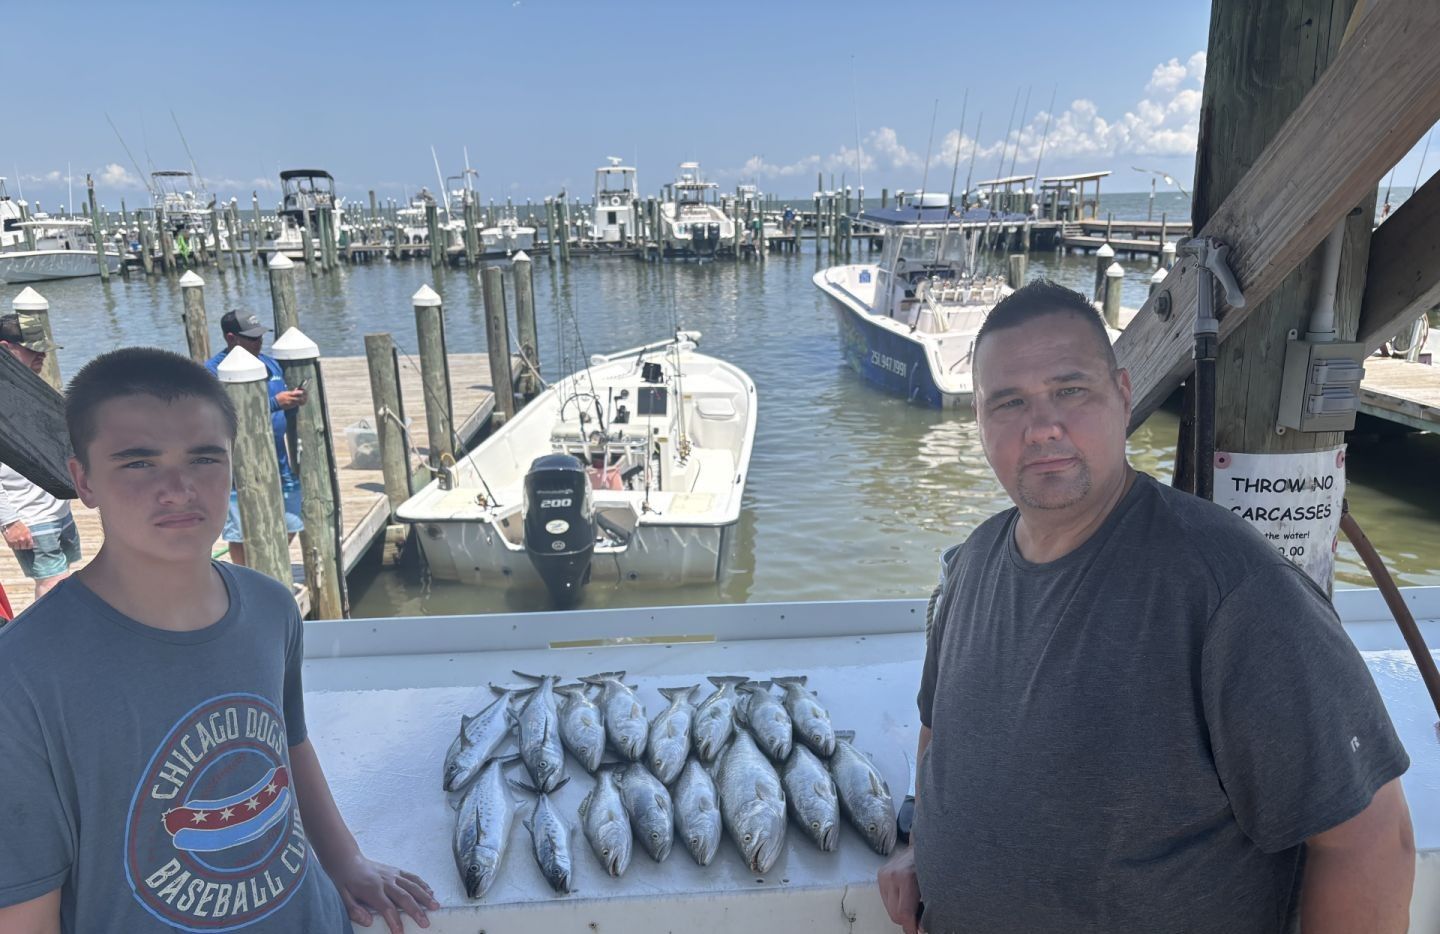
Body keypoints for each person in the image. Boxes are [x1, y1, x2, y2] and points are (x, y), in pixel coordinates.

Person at [877, 280, 1415, 934]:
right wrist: (918, 846)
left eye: (1070, 391)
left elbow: (1370, 840)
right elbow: (940, 733)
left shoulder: (1233, 591)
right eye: (1009, 402)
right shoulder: (971, 565)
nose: (1043, 426)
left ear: (1124, 395)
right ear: (980, 421)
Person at [0, 347, 437, 933]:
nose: (178, 489)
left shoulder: (270, 606)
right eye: (138, 463)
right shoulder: (24, 672)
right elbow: (26, 898)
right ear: (83, 479)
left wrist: (345, 859)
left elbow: (291, 743)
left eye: (204, 458)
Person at [205, 310, 307, 567]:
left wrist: (294, 401)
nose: (258, 343)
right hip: (238, 467)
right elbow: (220, 413)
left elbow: (284, 404)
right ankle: (245, 576)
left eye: (260, 337)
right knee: (241, 529)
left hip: (278, 458)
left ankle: (269, 565)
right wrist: (274, 402)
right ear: (231, 337)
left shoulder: (270, 363)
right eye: (251, 338)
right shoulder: (212, 371)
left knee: (292, 518)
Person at [0, 313, 82, 601]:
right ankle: (51, 643)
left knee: (66, 578)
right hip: (29, 515)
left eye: (43, 348)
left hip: (58, 509)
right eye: (32, 349)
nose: (42, 355)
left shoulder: (33, 390)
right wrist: (8, 521)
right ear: (6, 348)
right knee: (52, 587)